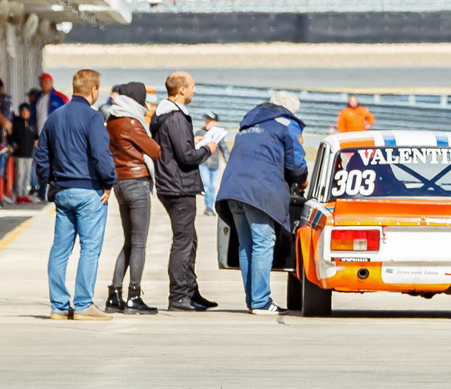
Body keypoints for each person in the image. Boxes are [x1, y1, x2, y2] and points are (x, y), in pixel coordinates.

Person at [33, 67, 117, 320]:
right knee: (89, 248)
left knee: (60, 249)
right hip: (89, 191)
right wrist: (108, 182)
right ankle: (83, 305)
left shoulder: (55, 117)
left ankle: (58, 306)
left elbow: (41, 157)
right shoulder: (93, 119)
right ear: (94, 91)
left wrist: (49, 183)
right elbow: (101, 155)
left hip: (62, 191)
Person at [215, 90, 306, 314]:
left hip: (233, 189)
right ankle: (261, 301)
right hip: (258, 190)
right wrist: (302, 181)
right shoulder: (286, 123)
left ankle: (253, 299)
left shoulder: (248, 124)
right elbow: (296, 164)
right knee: (263, 243)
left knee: (246, 245)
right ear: (289, 109)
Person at [153, 71, 221, 311]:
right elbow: (186, 156)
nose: (194, 90)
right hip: (178, 185)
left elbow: (176, 147)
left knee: (189, 238)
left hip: (172, 184)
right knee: (183, 241)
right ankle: (179, 295)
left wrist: (193, 139)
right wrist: (208, 149)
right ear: (181, 90)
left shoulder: (167, 116)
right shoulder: (175, 117)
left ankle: (191, 291)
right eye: (192, 86)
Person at [103, 80, 163, 315]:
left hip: (120, 182)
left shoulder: (112, 121)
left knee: (128, 242)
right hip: (137, 182)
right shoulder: (131, 122)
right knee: (139, 243)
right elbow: (155, 151)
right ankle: (134, 296)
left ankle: (114, 295)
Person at [7, 100, 38, 203]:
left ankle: (25, 194)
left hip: (29, 153)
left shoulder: (32, 123)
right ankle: (19, 195)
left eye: (26, 111)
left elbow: (35, 135)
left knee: (27, 175)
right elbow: (10, 136)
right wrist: (14, 144)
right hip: (19, 153)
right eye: (22, 111)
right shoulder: (16, 123)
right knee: (20, 174)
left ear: (29, 112)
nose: (24, 113)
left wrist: (36, 141)